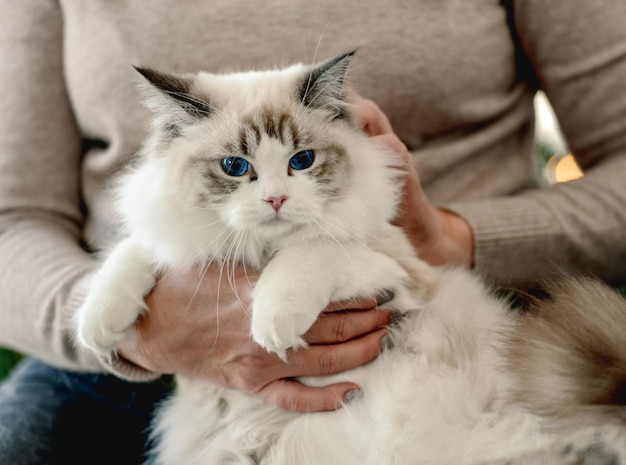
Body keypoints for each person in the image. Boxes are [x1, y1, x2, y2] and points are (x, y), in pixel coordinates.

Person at [0, 1, 625, 464]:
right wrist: (137, 331)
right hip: (131, 360)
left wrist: (457, 238)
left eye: (299, 164)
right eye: (238, 169)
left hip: (429, 326)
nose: (272, 194)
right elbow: (12, 218)